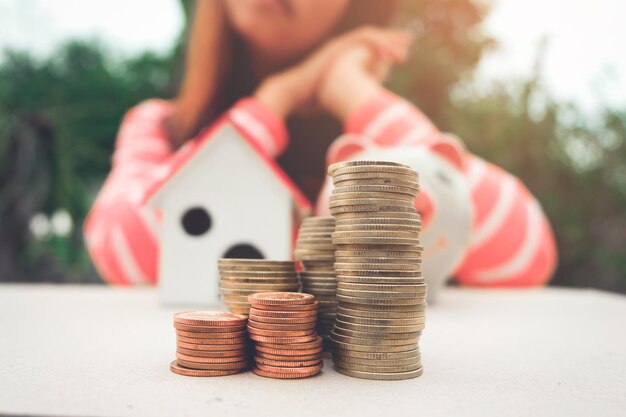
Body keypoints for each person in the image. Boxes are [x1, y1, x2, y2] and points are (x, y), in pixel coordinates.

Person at [84, 0, 557, 286]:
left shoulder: (380, 135)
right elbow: (118, 249)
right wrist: (273, 102)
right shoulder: (158, 126)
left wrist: (356, 91)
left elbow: (525, 255)